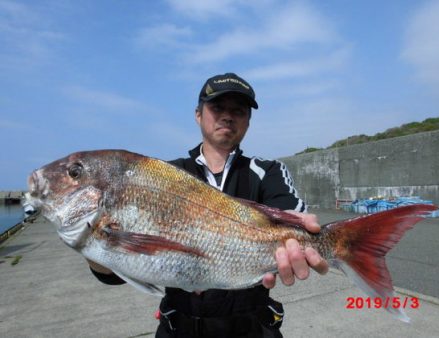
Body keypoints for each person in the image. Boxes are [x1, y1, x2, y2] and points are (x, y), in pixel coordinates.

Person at [88, 73, 328, 338]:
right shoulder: (167, 175)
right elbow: (113, 273)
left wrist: (303, 231)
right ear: (198, 114)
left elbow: (291, 217)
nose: (227, 116)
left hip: (252, 327)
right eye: (217, 108)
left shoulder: (267, 171)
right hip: (180, 328)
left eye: (238, 110)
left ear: (248, 121)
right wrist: (95, 244)